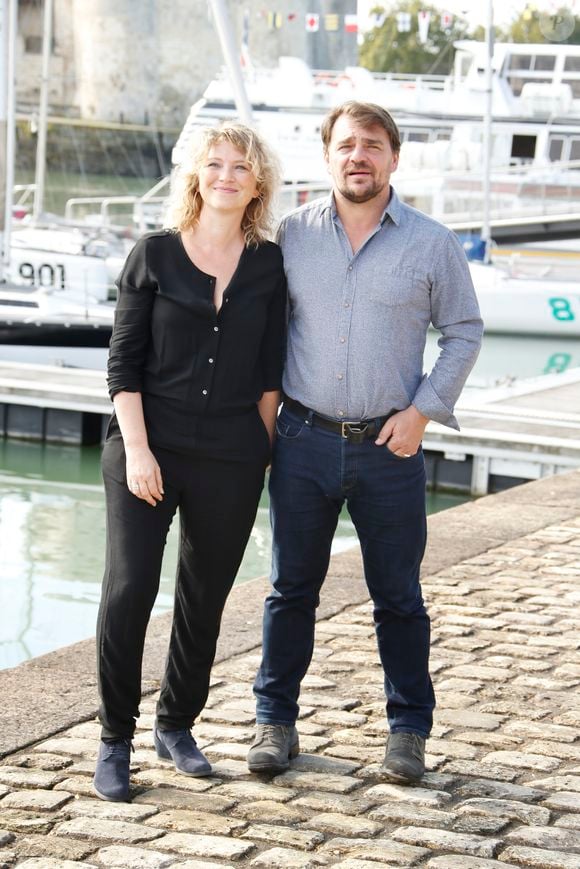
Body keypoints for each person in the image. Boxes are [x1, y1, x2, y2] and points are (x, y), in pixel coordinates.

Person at [247, 101, 483, 783]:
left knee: (399, 596)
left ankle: (408, 730)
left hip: (391, 446)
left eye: (373, 145)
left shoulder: (431, 243)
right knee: (289, 589)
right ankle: (275, 720)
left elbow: (464, 330)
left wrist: (424, 411)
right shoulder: (290, 236)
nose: (359, 155)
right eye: (347, 144)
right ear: (328, 157)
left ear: (394, 158)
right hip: (301, 439)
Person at [93, 122, 286, 802]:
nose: (227, 174)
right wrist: (139, 451)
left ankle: (176, 725)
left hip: (231, 454)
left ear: (257, 182)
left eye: (240, 165)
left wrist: (259, 454)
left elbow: (270, 373)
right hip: (148, 442)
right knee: (129, 590)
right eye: (215, 164)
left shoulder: (268, 265)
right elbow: (122, 365)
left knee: (203, 600)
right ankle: (115, 737)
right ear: (196, 177)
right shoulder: (154, 255)